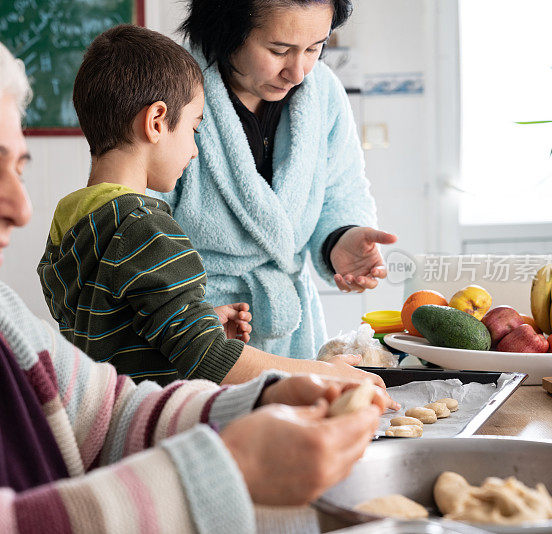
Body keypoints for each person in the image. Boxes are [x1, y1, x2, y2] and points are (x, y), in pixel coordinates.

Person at [0, 22, 390, 533]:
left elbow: (109, 415)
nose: (20, 207)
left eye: (18, 168)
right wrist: (228, 470)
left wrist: (262, 399)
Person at [37, 25, 395, 395]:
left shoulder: (77, 217)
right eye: (195, 128)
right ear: (156, 122)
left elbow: (113, 329)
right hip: (158, 423)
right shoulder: (147, 230)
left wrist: (197, 322)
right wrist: (323, 372)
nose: (194, 150)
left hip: (104, 410)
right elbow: (210, 359)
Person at [153, 0, 398, 359]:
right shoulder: (173, 90)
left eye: (315, 48)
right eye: (279, 50)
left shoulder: (324, 92)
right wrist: (187, 318)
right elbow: (144, 222)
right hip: (198, 326)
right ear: (227, 31)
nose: (298, 71)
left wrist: (339, 238)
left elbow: (342, 192)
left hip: (292, 331)